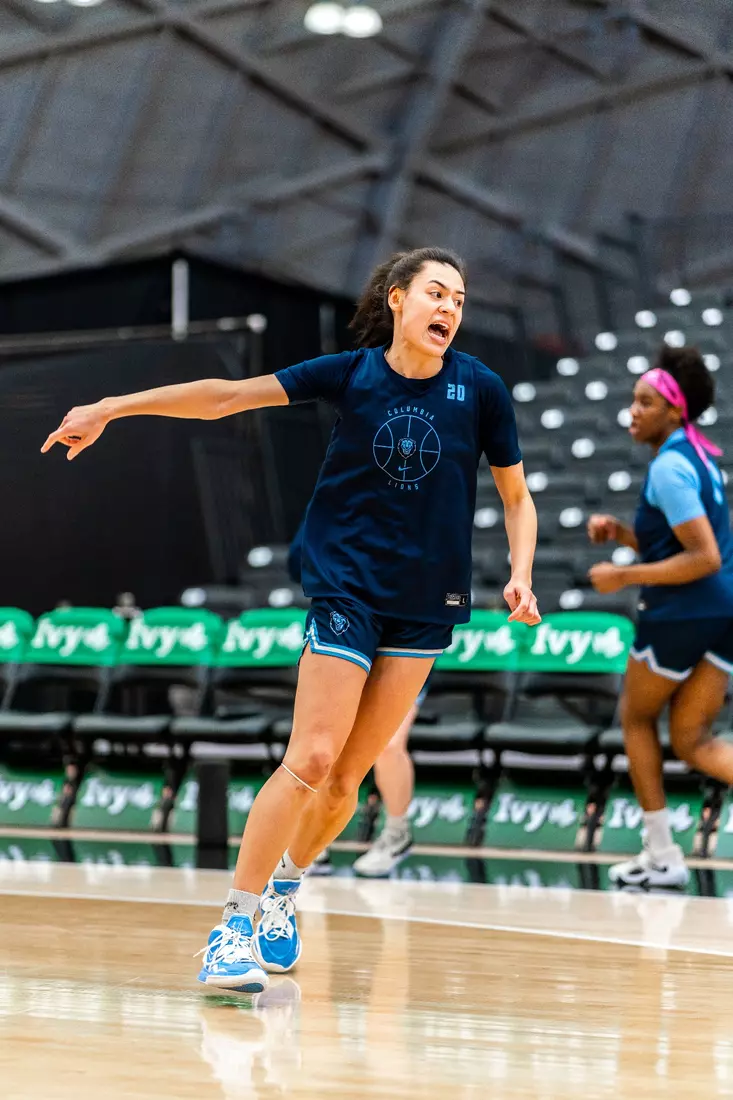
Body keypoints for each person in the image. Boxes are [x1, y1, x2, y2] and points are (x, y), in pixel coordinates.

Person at [41, 247, 541, 992]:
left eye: (460, 300)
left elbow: (515, 497)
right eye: (436, 293)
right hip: (345, 585)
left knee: (345, 781)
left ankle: (282, 891)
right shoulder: (349, 372)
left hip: (425, 599)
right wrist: (114, 408)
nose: (449, 309)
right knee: (309, 758)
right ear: (398, 300)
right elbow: (225, 396)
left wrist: (520, 573)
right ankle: (232, 928)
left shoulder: (481, 390)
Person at [588, 345, 733, 888]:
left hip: (683, 613)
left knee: (635, 717)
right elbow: (682, 543)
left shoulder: (670, 467)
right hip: (723, 613)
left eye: (645, 402)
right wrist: (625, 536)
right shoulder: (696, 457)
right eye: (633, 401)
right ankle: (664, 855)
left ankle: (663, 856)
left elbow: (703, 557)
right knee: (694, 741)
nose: (633, 410)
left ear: (675, 411)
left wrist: (623, 575)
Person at [289, 518, 427, 878]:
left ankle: (397, 833)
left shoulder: (418, 499)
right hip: (348, 629)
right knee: (324, 745)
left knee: (389, 745)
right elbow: (296, 559)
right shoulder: (342, 495)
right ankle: (310, 844)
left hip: (404, 636)